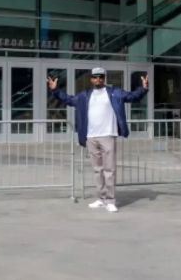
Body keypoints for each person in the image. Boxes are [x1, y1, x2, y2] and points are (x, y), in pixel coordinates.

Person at [48, 67, 148, 213]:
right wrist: (55, 90)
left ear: (104, 78)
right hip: (91, 137)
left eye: (101, 77)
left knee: (109, 170)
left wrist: (143, 88)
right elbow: (68, 99)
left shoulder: (114, 92)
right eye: (95, 77)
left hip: (108, 135)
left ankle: (110, 200)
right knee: (97, 170)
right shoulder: (85, 96)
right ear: (91, 79)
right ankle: (101, 198)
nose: (98, 79)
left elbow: (133, 97)